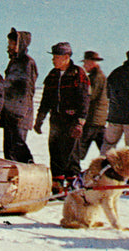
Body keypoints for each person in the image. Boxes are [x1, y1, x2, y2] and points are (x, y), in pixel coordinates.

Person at [33, 42, 89, 184]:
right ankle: (57, 183)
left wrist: (80, 122)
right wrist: (40, 119)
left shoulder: (78, 73)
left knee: (71, 153)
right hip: (56, 120)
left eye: (56, 57)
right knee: (55, 151)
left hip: (71, 120)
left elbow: (84, 100)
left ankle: (73, 183)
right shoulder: (53, 75)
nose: (53, 60)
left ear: (66, 57)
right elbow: (46, 99)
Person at [1, 27, 38, 163]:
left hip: (19, 116)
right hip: (11, 115)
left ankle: (29, 178)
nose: (9, 47)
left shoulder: (27, 63)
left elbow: (27, 90)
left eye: (12, 44)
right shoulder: (14, 62)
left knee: (19, 151)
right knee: (9, 152)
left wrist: (19, 113)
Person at [72, 51, 107, 165]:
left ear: (92, 63)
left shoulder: (96, 77)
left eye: (86, 63)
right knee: (106, 152)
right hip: (98, 120)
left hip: (92, 120)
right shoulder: (98, 76)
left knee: (78, 150)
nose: (84, 66)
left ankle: (74, 175)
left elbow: (89, 96)